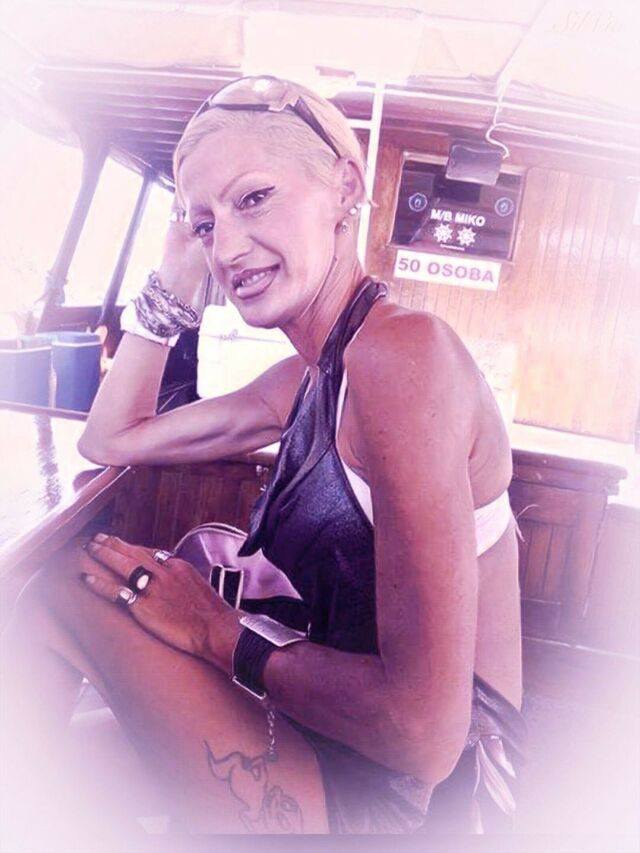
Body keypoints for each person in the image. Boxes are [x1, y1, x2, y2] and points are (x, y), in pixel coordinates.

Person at [0, 76, 526, 839]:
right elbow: (110, 437)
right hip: (332, 730)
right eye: (205, 224)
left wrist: (212, 628)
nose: (227, 247)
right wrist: (174, 278)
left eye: (254, 198)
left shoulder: (403, 356)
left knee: (63, 589)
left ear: (344, 187)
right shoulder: (308, 376)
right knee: (46, 772)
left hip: (424, 800)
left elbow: (424, 736)